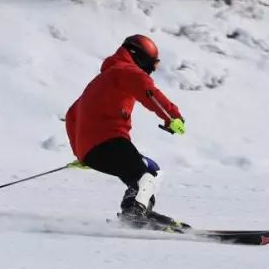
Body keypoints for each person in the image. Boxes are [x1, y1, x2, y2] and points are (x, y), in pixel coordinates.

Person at [65, 34, 186, 226]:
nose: (151, 70)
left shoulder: (102, 79)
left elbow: (72, 115)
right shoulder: (127, 71)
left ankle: (139, 209)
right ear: (138, 56)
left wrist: (82, 154)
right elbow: (149, 93)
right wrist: (172, 117)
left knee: (151, 170)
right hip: (109, 142)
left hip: (94, 149)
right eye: (152, 63)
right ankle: (133, 216)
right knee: (144, 178)